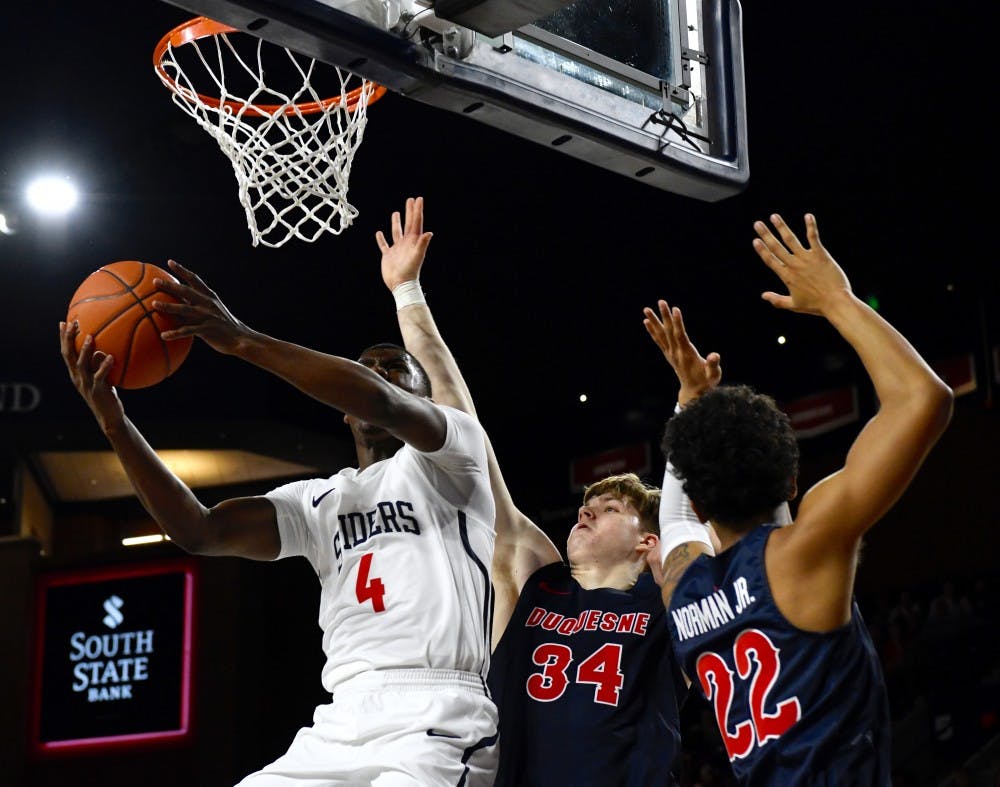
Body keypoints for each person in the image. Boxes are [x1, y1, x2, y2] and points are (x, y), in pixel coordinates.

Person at [59, 251, 499, 785]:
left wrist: (241, 338)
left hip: (437, 717)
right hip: (342, 718)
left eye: (393, 369)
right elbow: (200, 531)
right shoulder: (319, 501)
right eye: (365, 369)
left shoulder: (454, 457)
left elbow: (383, 404)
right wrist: (114, 424)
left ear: (424, 399)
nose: (377, 376)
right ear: (341, 407)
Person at [374, 196, 700, 786]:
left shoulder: (668, 601)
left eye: (610, 508)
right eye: (588, 503)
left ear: (646, 539)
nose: (586, 510)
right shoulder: (535, 579)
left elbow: (693, 515)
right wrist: (407, 293)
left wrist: (690, 405)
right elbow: (461, 428)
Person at [653, 213, 953, 784]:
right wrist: (836, 299)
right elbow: (922, 399)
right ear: (792, 482)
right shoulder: (805, 550)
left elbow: (672, 520)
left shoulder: (681, 587)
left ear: (698, 500)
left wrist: (689, 398)